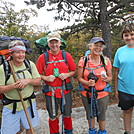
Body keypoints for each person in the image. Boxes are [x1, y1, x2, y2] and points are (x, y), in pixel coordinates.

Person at [36, 32, 76, 134]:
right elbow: (36, 75)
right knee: (53, 116)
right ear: (48, 44)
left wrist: (67, 75)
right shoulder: (43, 57)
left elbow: (74, 71)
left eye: (56, 42)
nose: (54, 45)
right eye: (51, 42)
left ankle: (68, 132)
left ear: (60, 42)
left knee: (67, 114)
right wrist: (46, 77)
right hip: (50, 91)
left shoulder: (66, 55)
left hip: (65, 90)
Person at [0, 40, 41, 134]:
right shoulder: (4, 68)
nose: (21, 55)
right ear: (11, 53)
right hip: (11, 106)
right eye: (18, 52)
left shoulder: (29, 65)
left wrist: (28, 81)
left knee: (30, 128)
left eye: (23, 52)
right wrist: (13, 86)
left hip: (29, 104)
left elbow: (38, 81)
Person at [78, 37, 112, 134]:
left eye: (100, 46)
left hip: (102, 94)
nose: (98, 48)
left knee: (102, 116)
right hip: (87, 94)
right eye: (95, 45)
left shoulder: (105, 60)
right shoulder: (83, 61)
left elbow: (110, 77)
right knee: (90, 115)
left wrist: (106, 79)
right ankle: (92, 131)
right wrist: (87, 83)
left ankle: (102, 131)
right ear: (90, 46)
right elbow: (79, 78)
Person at [113, 23, 134, 134]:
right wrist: (116, 89)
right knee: (127, 111)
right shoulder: (120, 51)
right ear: (123, 37)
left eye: (132, 34)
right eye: (126, 35)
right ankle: (127, 131)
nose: (129, 37)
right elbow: (116, 71)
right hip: (124, 88)